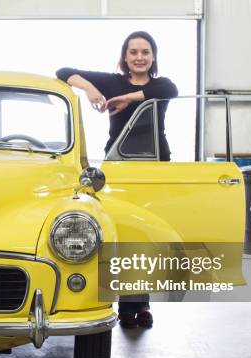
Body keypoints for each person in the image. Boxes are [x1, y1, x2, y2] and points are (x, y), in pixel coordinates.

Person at [56, 31, 178, 329]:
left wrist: (128, 98)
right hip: (121, 168)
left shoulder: (160, 85)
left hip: (154, 167)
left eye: (145, 52)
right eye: (133, 52)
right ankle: (126, 305)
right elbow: (62, 73)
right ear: (125, 56)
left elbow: (170, 89)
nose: (139, 57)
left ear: (153, 56)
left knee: (146, 236)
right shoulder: (112, 81)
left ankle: (143, 305)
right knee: (124, 236)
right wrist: (90, 90)